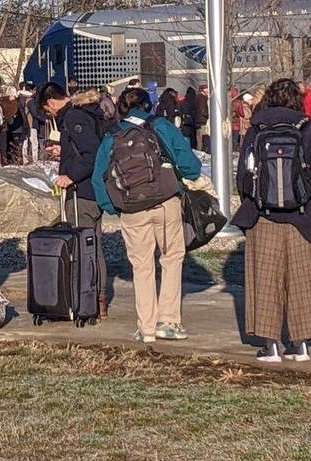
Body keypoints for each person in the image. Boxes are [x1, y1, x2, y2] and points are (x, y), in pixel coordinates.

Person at [234, 78, 311, 362]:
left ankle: (270, 346)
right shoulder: (306, 128)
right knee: (301, 280)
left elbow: (244, 174)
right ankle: (301, 344)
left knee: (266, 278)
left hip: (263, 216)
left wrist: (251, 199)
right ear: (297, 99)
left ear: (269, 98)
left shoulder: (257, 128)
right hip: (302, 216)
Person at [94, 87, 204, 343]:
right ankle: (168, 321)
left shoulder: (112, 134)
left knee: (141, 267)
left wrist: (114, 208)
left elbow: (99, 178)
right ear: (148, 105)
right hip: (165, 203)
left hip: (131, 209)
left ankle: (146, 327)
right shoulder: (161, 125)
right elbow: (191, 165)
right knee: (172, 258)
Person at [37, 80, 109, 318]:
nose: (50, 115)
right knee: (93, 243)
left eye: (47, 111)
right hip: (95, 191)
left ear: (50, 103)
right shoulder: (87, 112)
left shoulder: (72, 117)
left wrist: (70, 176)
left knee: (85, 246)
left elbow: (92, 152)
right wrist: (64, 151)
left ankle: (91, 298)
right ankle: (96, 297)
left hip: (82, 191)